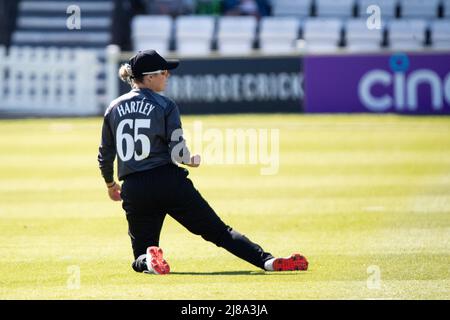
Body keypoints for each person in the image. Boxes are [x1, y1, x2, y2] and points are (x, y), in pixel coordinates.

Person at [97, 49, 308, 274]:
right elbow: (178, 152)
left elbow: (105, 153)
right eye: (163, 72)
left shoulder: (113, 108)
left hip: (134, 187)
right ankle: (267, 261)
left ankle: (149, 260)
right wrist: (191, 160)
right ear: (149, 77)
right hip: (168, 181)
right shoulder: (165, 105)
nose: (167, 75)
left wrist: (110, 185)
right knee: (219, 232)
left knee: (140, 253)